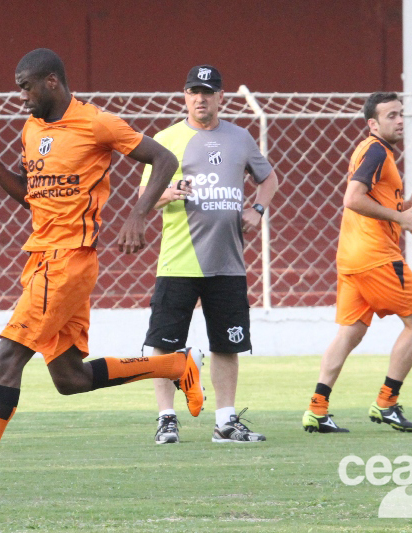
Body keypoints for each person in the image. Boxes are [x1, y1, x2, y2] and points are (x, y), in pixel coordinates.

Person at [0, 48, 204, 496]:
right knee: (69, 379)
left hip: (67, 261)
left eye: (26, 87)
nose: (21, 97)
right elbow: (32, 196)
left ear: (51, 81)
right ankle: (174, 363)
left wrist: (138, 214)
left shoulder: (96, 123)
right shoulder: (33, 130)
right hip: (43, 258)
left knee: (7, 359)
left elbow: (163, 158)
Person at [140, 65, 279, 444]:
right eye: (193, 91)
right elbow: (146, 198)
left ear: (221, 97)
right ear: (184, 96)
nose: (200, 98)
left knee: (227, 343)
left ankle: (226, 421)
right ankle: (166, 418)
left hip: (228, 262)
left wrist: (258, 209)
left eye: (207, 92)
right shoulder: (165, 139)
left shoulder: (240, 137)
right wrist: (170, 191)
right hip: (179, 260)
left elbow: (269, 178)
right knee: (164, 343)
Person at [301, 92, 412, 434]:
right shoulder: (375, 150)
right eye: (391, 115)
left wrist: (407, 206)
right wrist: (399, 218)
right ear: (373, 123)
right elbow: (353, 199)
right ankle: (387, 403)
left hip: (352, 257)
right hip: (376, 257)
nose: (400, 120)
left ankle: (317, 409)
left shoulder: (376, 152)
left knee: (350, 333)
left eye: (401, 113)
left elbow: (375, 202)